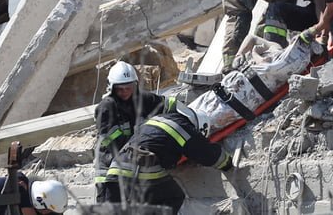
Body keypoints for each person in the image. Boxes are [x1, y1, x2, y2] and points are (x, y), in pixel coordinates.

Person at [109, 103, 232, 212]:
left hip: (115, 170)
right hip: (139, 168)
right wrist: (226, 162)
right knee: (174, 196)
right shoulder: (183, 127)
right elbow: (206, 153)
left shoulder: (158, 120)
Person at [94, 61, 177, 203]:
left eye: (129, 87)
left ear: (136, 85)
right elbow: (113, 142)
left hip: (135, 169)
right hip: (110, 170)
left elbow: (169, 105)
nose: (125, 92)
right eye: (120, 89)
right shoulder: (106, 107)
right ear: (112, 88)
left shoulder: (144, 99)